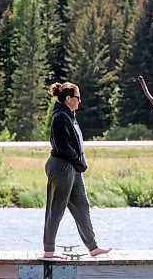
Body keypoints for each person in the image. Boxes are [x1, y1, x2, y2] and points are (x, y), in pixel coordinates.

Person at [43, 82, 112, 259]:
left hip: (73, 167)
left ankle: (93, 247)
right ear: (68, 98)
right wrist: (79, 163)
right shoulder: (60, 117)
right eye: (77, 98)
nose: (80, 101)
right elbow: (62, 146)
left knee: (82, 206)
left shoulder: (69, 115)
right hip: (62, 166)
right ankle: (49, 250)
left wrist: (79, 164)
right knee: (56, 208)